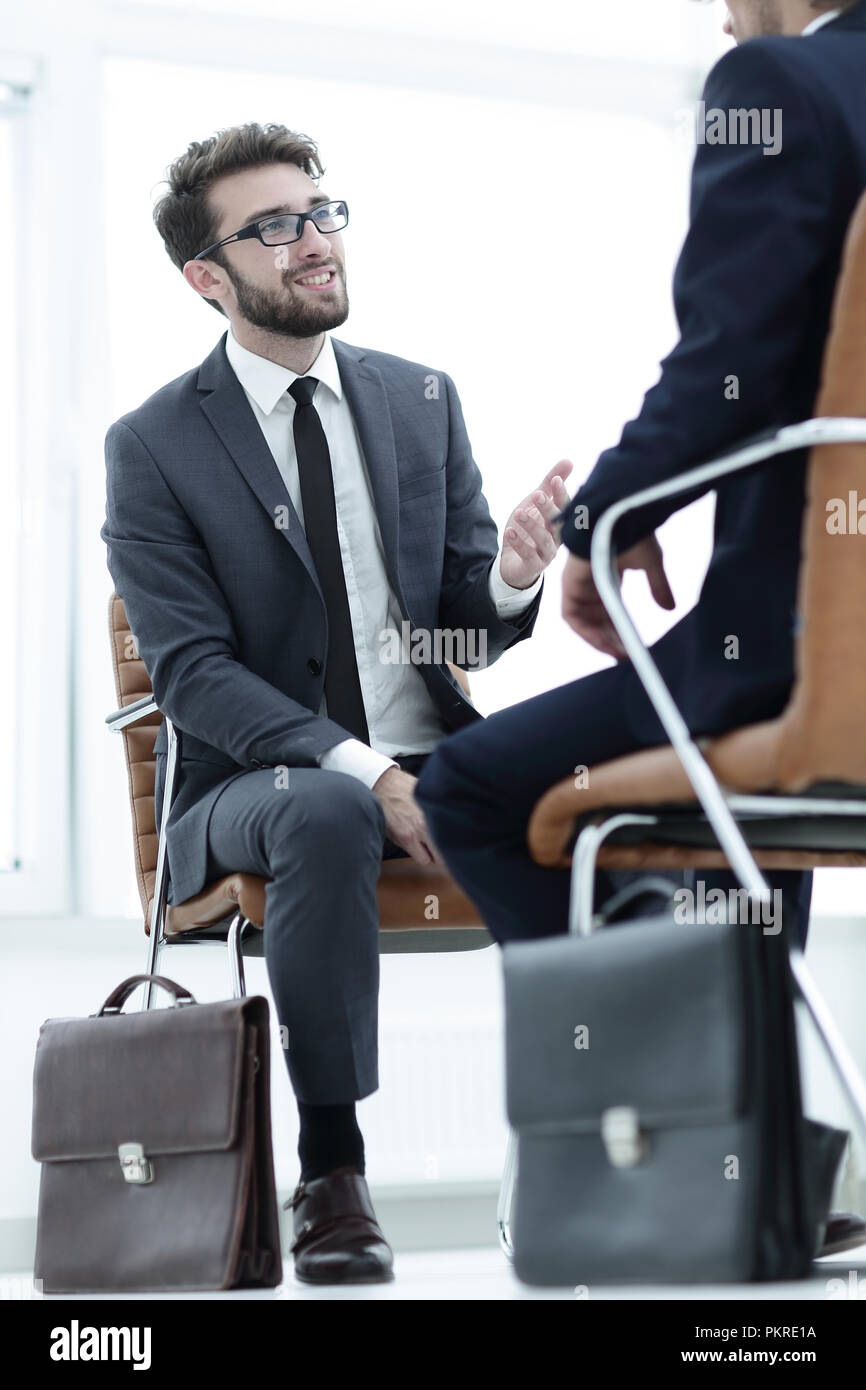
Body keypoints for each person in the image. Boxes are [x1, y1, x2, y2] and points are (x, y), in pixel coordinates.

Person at [416, 0, 866, 1255]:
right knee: (720, 834)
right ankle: (760, 1165)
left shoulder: (775, 78)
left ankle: (663, 1137)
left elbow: (730, 362)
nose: (712, 9)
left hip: (803, 659)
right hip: (832, 670)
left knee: (472, 791)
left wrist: (600, 520)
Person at [101, 123, 572, 1283]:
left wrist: (511, 574)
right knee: (326, 809)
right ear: (206, 278)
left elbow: (456, 630)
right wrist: (368, 772)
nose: (313, 242)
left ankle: (683, 1151)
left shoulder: (420, 397)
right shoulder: (154, 444)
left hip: (431, 754)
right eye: (274, 226)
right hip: (244, 786)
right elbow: (194, 675)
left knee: (614, 792)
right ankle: (332, 1172)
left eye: (319, 212)